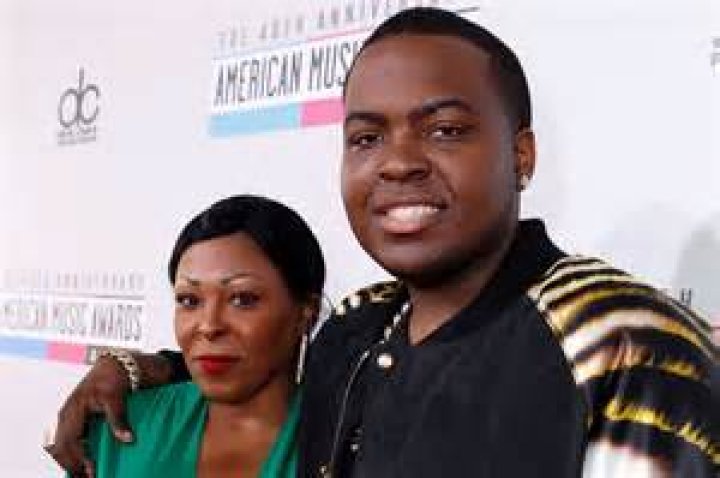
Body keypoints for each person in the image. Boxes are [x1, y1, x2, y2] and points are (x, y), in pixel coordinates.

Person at [47, 7, 718, 478]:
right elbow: (253, 370)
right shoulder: (355, 329)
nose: (397, 163)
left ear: (522, 155)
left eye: (445, 130)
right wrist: (134, 370)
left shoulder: (622, 340)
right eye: (366, 138)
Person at [48, 194, 325, 477]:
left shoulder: (340, 447)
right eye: (190, 300)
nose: (209, 326)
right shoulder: (118, 429)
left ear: (306, 312)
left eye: (242, 299)